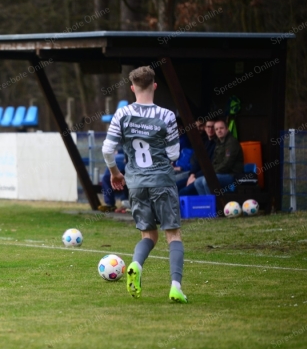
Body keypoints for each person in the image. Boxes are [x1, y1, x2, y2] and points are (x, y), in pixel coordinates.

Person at [102, 66, 188, 303]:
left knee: (148, 235)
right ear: (155, 86)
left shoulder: (122, 114)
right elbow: (172, 154)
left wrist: (115, 173)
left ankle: (136, 265)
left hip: (136, 182)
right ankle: (175, 287)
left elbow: (108, 149)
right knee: (173, 234)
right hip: (162, 180)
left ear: (132, 88)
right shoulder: (167, 116)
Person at [180, 118, 244, 196]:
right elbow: (214, 161)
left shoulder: (231, 143)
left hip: (232, 175)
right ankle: (207, 204)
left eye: (221, 128)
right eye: (216, 129)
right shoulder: (219, 143)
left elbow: (227, 163)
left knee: (207, 181)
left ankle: (215, 204)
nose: (219, 131)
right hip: (220, 173)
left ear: (227, 129)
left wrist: (211, 173)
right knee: (198, 182)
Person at [177, 119, 216, 192]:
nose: (210, 129)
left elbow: (211, 166)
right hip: (194, 173)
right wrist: (192, 174)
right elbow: (196, 161)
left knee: (183, 192)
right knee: (175, 185)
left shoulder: (217, 144)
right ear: (205, 128)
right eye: (208, 127)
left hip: (204, 175)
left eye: (212, 127)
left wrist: (195, 175)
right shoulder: (204, 142)